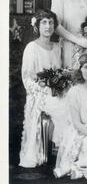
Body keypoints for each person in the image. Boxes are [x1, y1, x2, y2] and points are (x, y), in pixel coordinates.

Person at [19, 9, 67, 168]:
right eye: (44, 23)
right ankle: (63, 149)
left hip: (56, 92)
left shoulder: (57, 47)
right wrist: (42, 88)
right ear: (37, 26)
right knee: (65, 108)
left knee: (75, 103)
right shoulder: (31, 48)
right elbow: (27, 78)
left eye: (51, 22)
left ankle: (67, 149)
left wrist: (60, 85)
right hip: (39, 95)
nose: (48, 26)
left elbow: (59, 72)